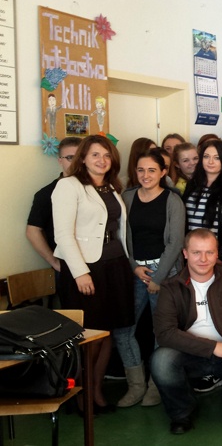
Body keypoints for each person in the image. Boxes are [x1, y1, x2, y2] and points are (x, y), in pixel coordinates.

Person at [151, 229, 222, 434]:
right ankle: (181, 412)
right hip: (190, 351)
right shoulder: (171, 287)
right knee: (161, 361)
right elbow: (164, 333)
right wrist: (212, 347)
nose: (203, 259)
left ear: (217, 253)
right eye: (196, 253)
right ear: (185, 253)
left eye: (209, 252)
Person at [52, 135, 135, 411]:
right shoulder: (68, 185)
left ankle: (96, 391)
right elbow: (63, 235)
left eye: (107, 155)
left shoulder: (111, 186)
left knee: (107, 332)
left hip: (115, 265)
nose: (102, 160)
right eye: (96, 154)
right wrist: (80, 273)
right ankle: (80, 395)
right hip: (87, 269)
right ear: (83, 158)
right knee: (90, 336)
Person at [117, 150, 186, 408]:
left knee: (161, 331)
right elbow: (120, 238)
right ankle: (135, 386)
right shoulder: (126, 197)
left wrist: (158, 278)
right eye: (141, 170)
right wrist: (134, 267)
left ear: (163, 172)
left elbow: (176, 242)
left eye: (152, 170)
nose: (145, 175)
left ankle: (156, 385)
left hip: (164, 273)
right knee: (123, 329)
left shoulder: (172, 200)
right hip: (135, 271)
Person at [26, 137, 81, 288]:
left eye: (80, 157)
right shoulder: (46, 194)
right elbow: (32, 231)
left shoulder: (93, 189)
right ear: (60, 160)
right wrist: (54, 262)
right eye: (70, 158)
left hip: (96, 260)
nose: (76, 162)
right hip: (67, 263)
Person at [183, 139, 222, 262]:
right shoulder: (192, 185)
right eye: (206, 156)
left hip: (216, 254)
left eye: (217, 158)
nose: (210, 162)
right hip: (191, 252)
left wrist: (220, 255)